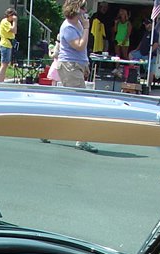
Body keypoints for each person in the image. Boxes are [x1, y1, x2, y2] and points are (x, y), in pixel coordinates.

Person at [51, 0, 97, 152]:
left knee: (68, 103)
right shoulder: (68, 27)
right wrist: (86, 28)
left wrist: (86, 64)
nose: (85, 11)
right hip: (69, 66)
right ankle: (81, 139)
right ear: (76, 10)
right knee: (81, 104)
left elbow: (82, 51)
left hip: (76, 65)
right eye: (83, 8)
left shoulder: (77, 23)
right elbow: (80, 45)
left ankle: (45, 129)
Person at [0, 7, 18, 83]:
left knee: (5, 65)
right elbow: (14, 31)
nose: (13, 18)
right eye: (12, 16)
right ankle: (0, 82)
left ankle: (1, 81)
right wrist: (15, 21)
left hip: (8, 45)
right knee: (4, 65)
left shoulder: (8, 22)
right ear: (9, 15)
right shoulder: (5, 22)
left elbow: (14, 31)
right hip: (5, 45)